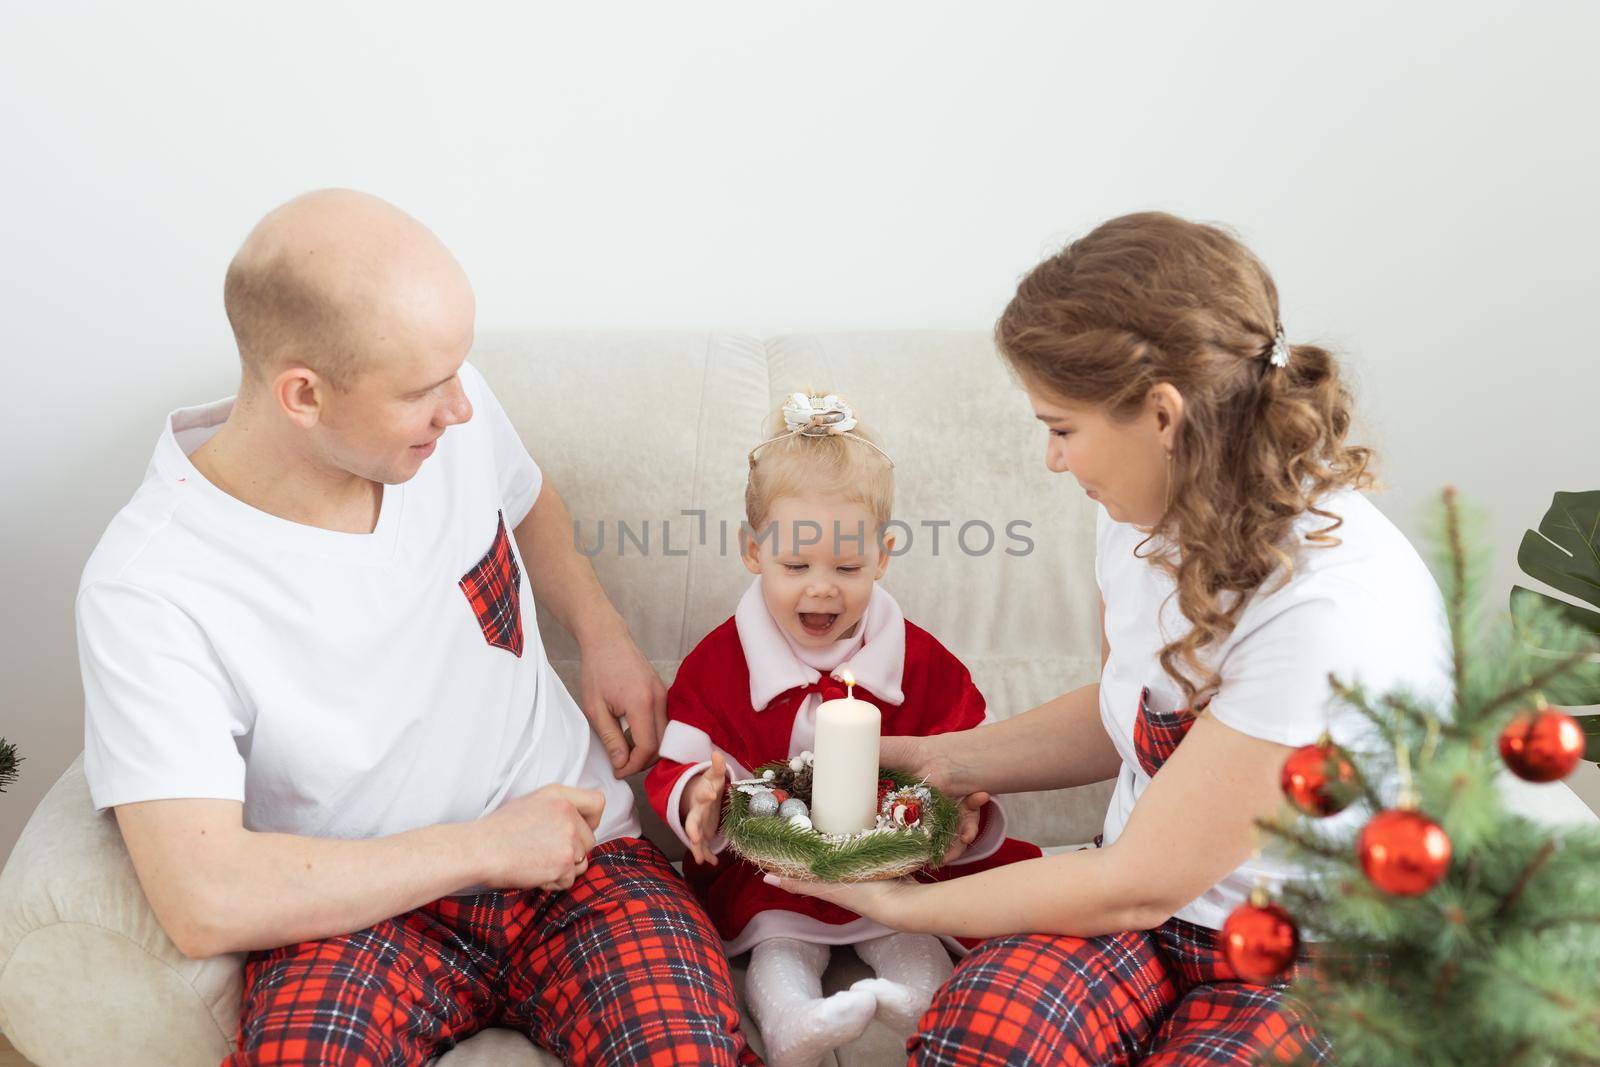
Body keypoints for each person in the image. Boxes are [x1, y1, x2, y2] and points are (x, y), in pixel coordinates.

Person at [76, 189, 757, 1066]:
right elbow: (201, 896)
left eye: (458, 374)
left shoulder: (441, 415)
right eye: (425, 391)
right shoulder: (151, 586)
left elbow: (526, 498)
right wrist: (483, 847)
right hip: (356, 910)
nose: (461, 409)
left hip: (584, 859)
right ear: (303, 395)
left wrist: (602, 631)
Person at [775, 212, 1450, 1065]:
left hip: (1301, 956)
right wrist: (952, 760)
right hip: (1153, 916)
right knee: (977, 1040)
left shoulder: (1326, 609)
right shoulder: (1139, 512)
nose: (1054, 460)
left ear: (1163, 416)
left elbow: (1132, 887)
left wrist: (899, 903)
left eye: (1062, 427)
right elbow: (1123, 712)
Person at [645, 393, 1041, 1067]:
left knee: (909, 927)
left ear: (883, 557)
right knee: (777, 940)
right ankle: (793, 1019)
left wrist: (968, 806)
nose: (821, 590)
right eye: (796, 567)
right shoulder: (721, 661)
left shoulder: (916, 657)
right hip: (773, 874)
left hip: (892, 869)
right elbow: (680, 756)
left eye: (847, 568)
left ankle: (916, 1001)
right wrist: (697, 799)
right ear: (752, 550)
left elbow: (973, 744)